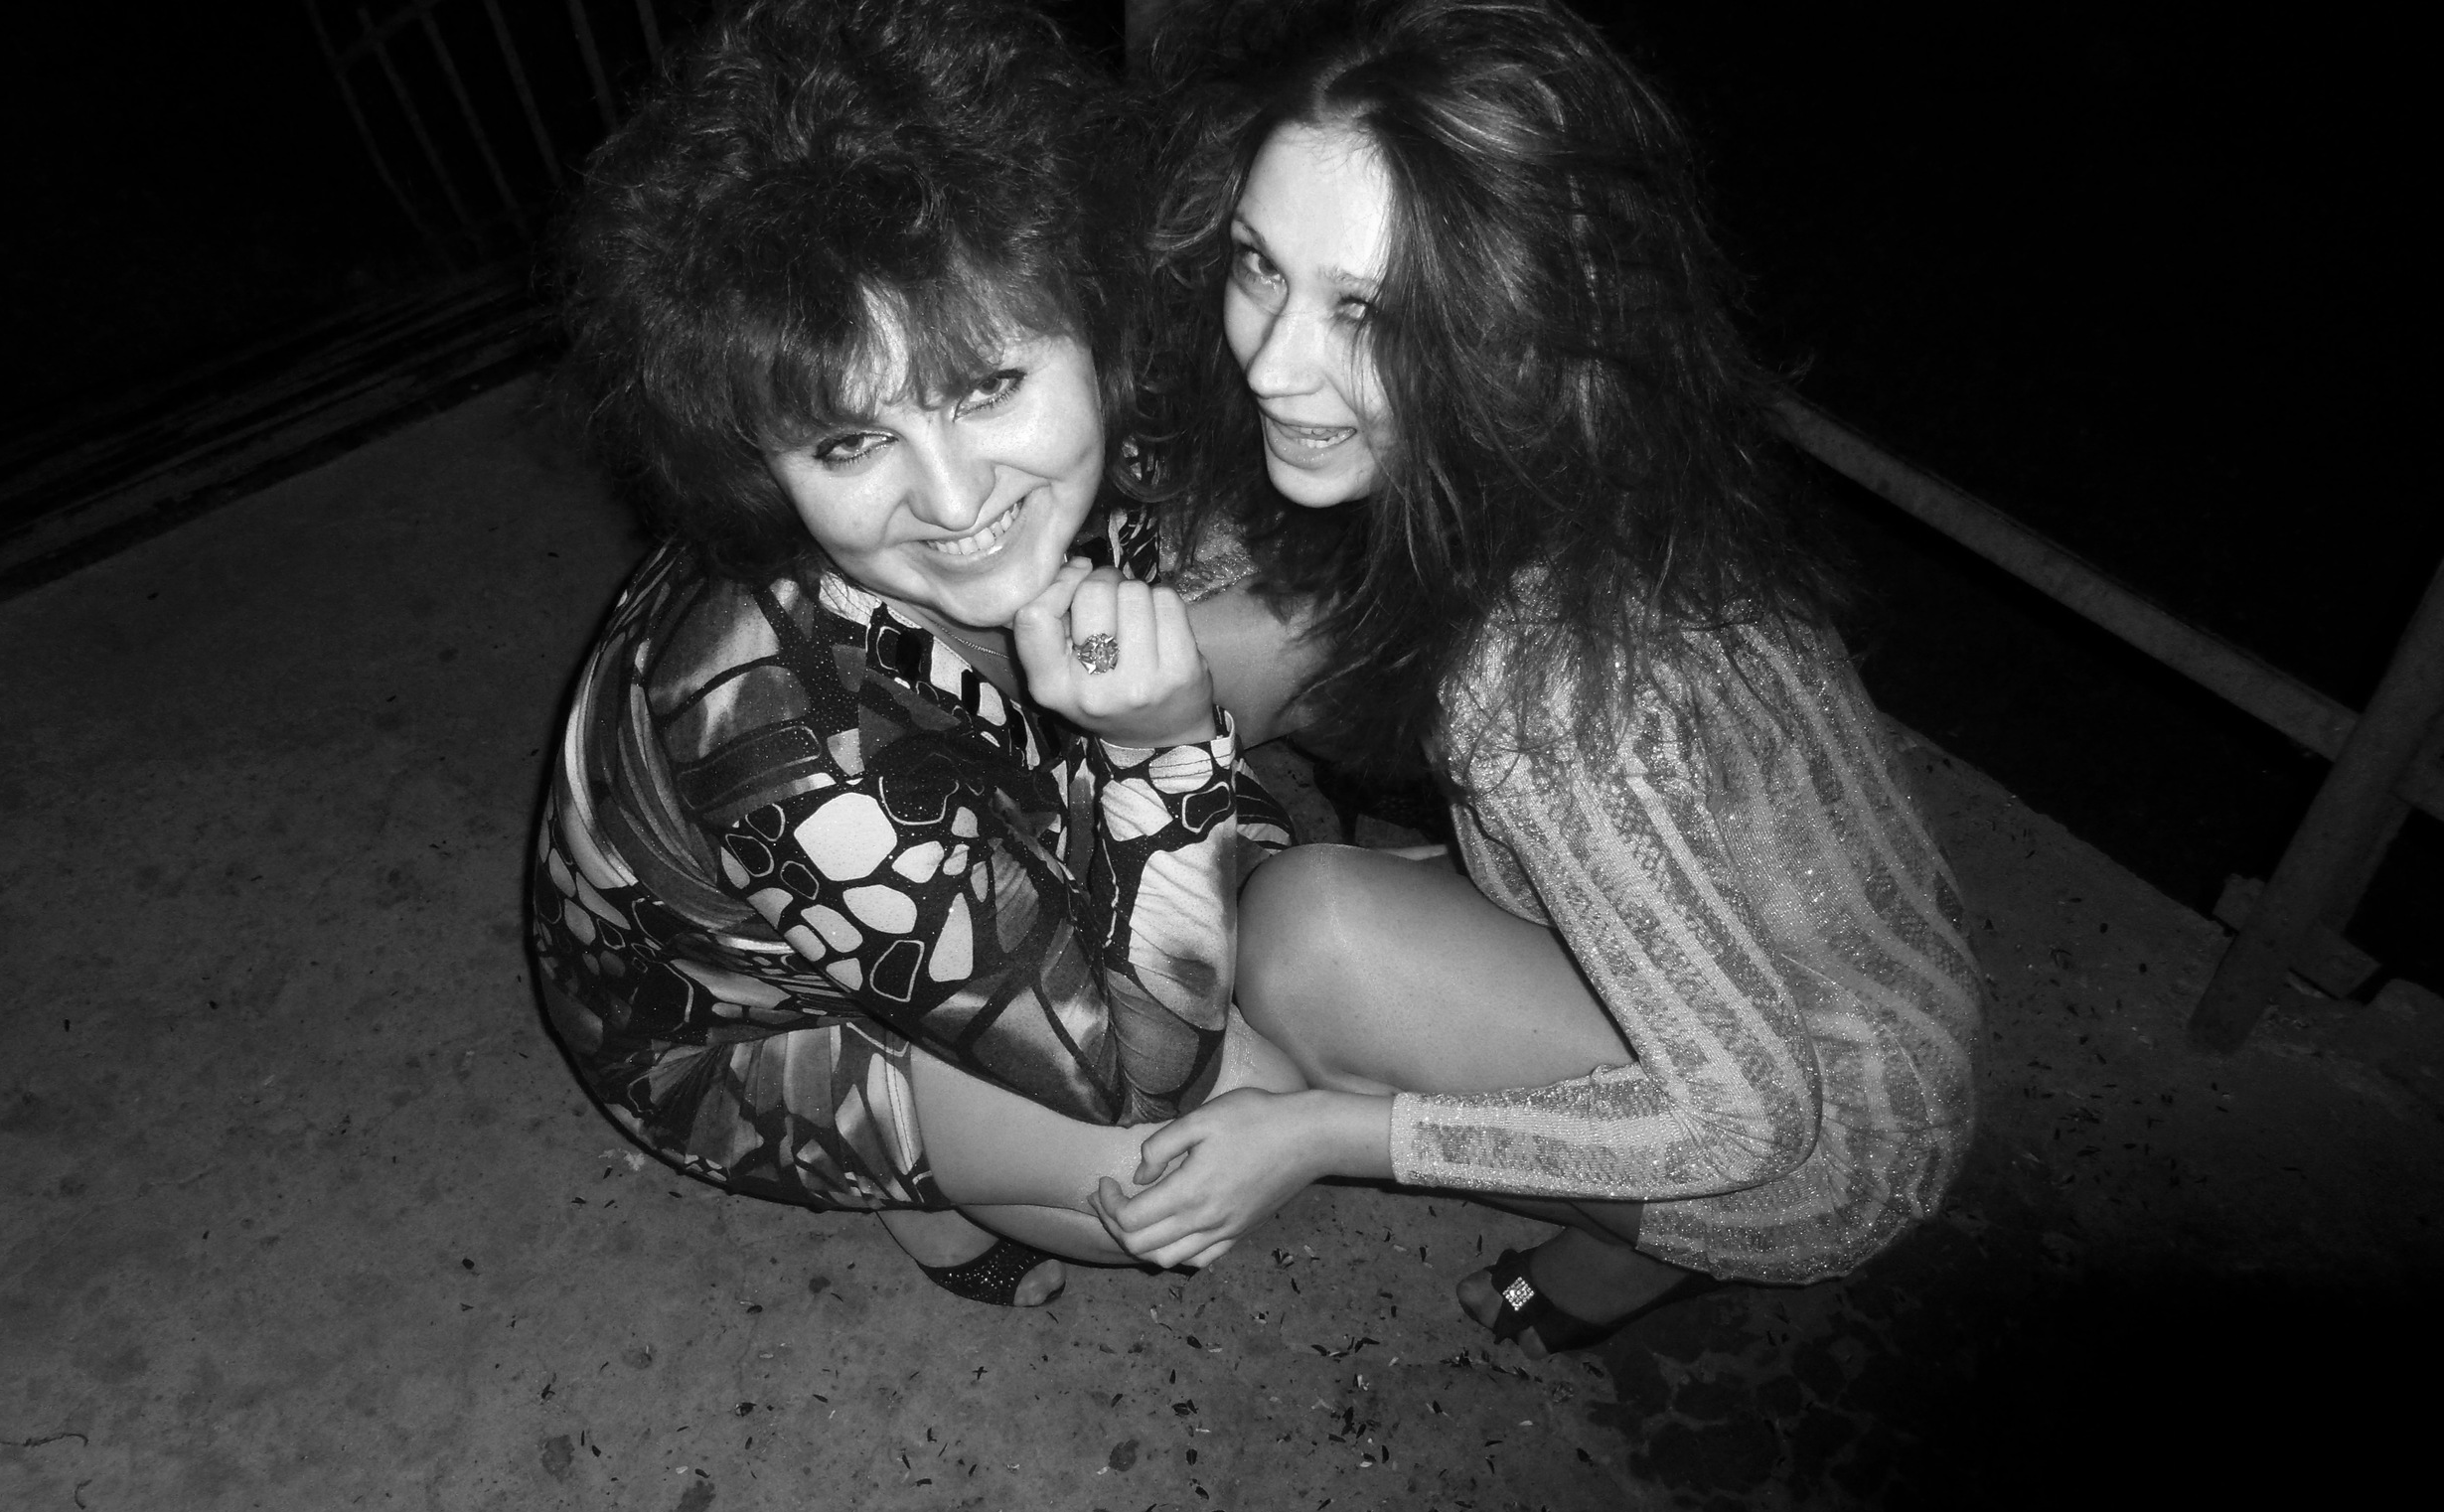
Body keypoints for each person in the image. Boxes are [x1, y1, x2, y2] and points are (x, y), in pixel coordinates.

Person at [1093, 0, 1985, 1355]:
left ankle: (1639, 1245)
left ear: (1526, 319)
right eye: (1261, 265)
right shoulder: (1609, 459)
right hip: (1873, 979)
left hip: (1826, 1143)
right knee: (1300, 758)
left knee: (1304, 943)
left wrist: (1325, 1134)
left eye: (1369, 310)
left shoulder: (1543, 682)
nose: (1273, 361)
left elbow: (1752, 1118)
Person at [529, 0, 1298, 1309]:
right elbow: (1142, 1075)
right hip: (730, 1027)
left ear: (1093, 321)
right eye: (849, 442)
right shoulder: (783, 739)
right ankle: (908, 1188)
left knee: (1279, 948)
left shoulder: (1118, 420)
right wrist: (1166, 756)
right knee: (1197, 1144)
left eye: (987, 387)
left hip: (940, 834)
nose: (952, 500)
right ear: (759, 460)